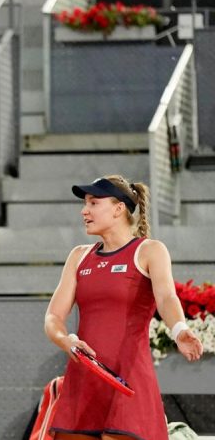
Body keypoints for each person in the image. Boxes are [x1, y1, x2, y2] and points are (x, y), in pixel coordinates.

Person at [44, 175, 204, 440]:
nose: (84, 210)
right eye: (85, 203)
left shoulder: (150, 250)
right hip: (84, 379)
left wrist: (179, 329)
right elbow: (53, 316)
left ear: (119, 208)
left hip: (130, 378)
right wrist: (66, 340)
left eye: (93, 203)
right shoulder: (78, 256)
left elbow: (166, 298)